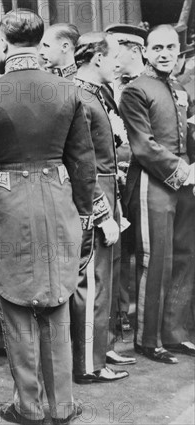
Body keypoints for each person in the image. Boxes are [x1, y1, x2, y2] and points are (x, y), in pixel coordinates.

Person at [0, 9, 96, 424]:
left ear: (2, 42)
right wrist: (86, 209)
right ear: (40, 43)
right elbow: (83, 162)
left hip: (7, 204)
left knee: (18, 306)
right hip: (58, 200)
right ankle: (62, 405)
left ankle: (29, 406)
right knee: (57, 299)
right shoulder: (67, 90)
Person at [119, 25, 195, 364]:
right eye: (158, 48)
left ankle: (174, 334)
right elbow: (144, 147)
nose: (164, 53)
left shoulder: (180, 88)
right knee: (156, 260)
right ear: (145, 52)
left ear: (179, 50)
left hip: (186, 185)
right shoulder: (135, 90)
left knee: (185, 257)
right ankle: (148, 340)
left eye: (170, 48)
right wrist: (184, 171)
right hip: (153, 182)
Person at [70, 32, 137, 385]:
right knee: (93, 283)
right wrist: (102, 212)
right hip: (93, 194)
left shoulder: (97, 93)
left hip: (109, 189)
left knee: (105, 279)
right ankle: (87, 365)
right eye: (114, 58)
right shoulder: (81, 96)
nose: (119, 64)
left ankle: (100, 350)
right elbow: (81, 163)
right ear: (96, 57)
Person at [105, 24, 148, 338]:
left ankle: (143, 313)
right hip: (114, 180)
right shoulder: (109, 85)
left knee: (146, 248)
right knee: (116, 246)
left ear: (134, 50)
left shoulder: (151, 85)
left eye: (116, 49)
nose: (111, 56)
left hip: (144, 177)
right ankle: (120, 313)